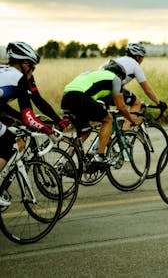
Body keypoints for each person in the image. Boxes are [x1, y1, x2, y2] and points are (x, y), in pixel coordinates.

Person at [0, 42, 65, 206]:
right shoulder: (19, 78)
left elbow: (3, 106)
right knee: (7, 142)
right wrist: (50, 131)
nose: (33, 71)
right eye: (33, 67)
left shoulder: (4, 70)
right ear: (25, 64)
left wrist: (19, 120)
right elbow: (29, 117)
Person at [61, 60, 138, 167]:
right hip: (80, 97)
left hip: (66, 98)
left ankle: (65, 160)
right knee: (108, 119)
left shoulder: (94, 74)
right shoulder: (115, 79)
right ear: (119, 74)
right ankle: (100, 156)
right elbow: (121, 107)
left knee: (85, 131)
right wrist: (132, 120)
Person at [101, 43, 167, 128]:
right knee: (136, 103)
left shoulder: (117, 60)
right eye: (142, 57)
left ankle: (109, 138)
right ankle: (126, 134)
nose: (142, 60)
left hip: (97, 90)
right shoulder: (135, 65)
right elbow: (147, 90)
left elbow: (119, 85)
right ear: (138, 57)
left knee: (108, 120)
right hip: (109, 89)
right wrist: (159, 103)